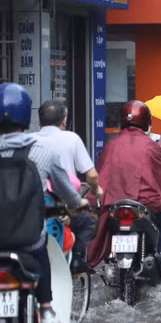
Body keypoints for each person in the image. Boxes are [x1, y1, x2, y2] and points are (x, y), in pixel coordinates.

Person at [0, 84, 85, 323]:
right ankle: (47, 309)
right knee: (42, 247)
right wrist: (77, 204)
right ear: (26, 117)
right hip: (28, 242)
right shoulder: (42, 154)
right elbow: (67, 191)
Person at [88, 101, 161, 264]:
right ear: (146, 121)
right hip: (146, 202)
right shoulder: (151, 146)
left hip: (115, 202)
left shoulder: (112, 145)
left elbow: (101, 174)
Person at [35, 100, 103, 271]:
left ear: (39, 121)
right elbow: (91, 175)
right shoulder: (71, 139)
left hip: (32, 208)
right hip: (62, 206)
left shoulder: (28, 141)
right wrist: (96, 190)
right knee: (88, 221)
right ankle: (75, 261)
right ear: (64, 120)